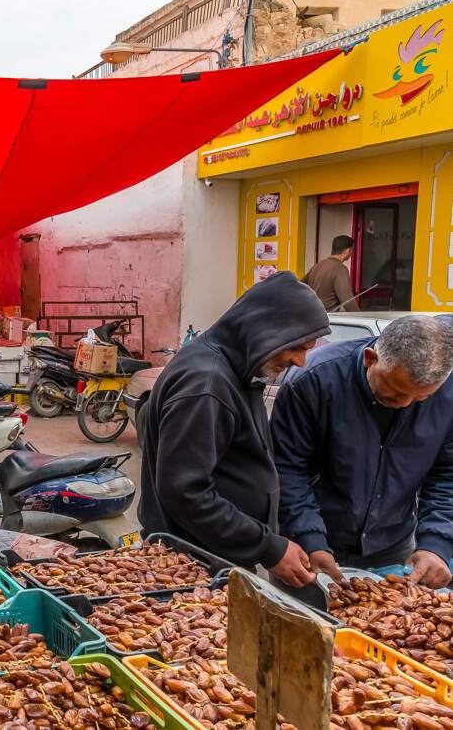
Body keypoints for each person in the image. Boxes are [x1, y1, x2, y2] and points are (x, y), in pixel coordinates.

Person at [136, 271, 330, 584]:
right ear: (267, 331)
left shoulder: (236, 368)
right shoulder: (207, 383)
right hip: (191, 568)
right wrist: (267, 547)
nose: (300, 361)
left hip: (213, 559)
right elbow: (185, 491)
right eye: (298, 348)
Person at [273, 315, 453, 597]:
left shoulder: (448, 394)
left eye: (419, 400)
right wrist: (310, 538)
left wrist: (436, 544)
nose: (403, 405)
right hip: (310, 546)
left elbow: (447, 475)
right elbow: (286, 469)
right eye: (394, 393)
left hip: (391, 547)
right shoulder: (314, 380)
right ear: (371, 358)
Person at [303, 235, 356, 311]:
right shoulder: (340, 269)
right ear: (348, 251)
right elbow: (348, 302)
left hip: (310, 315)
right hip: (326, 318)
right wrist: (362, 318)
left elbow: (300, 285)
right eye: (352, 251)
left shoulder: (318, 265)